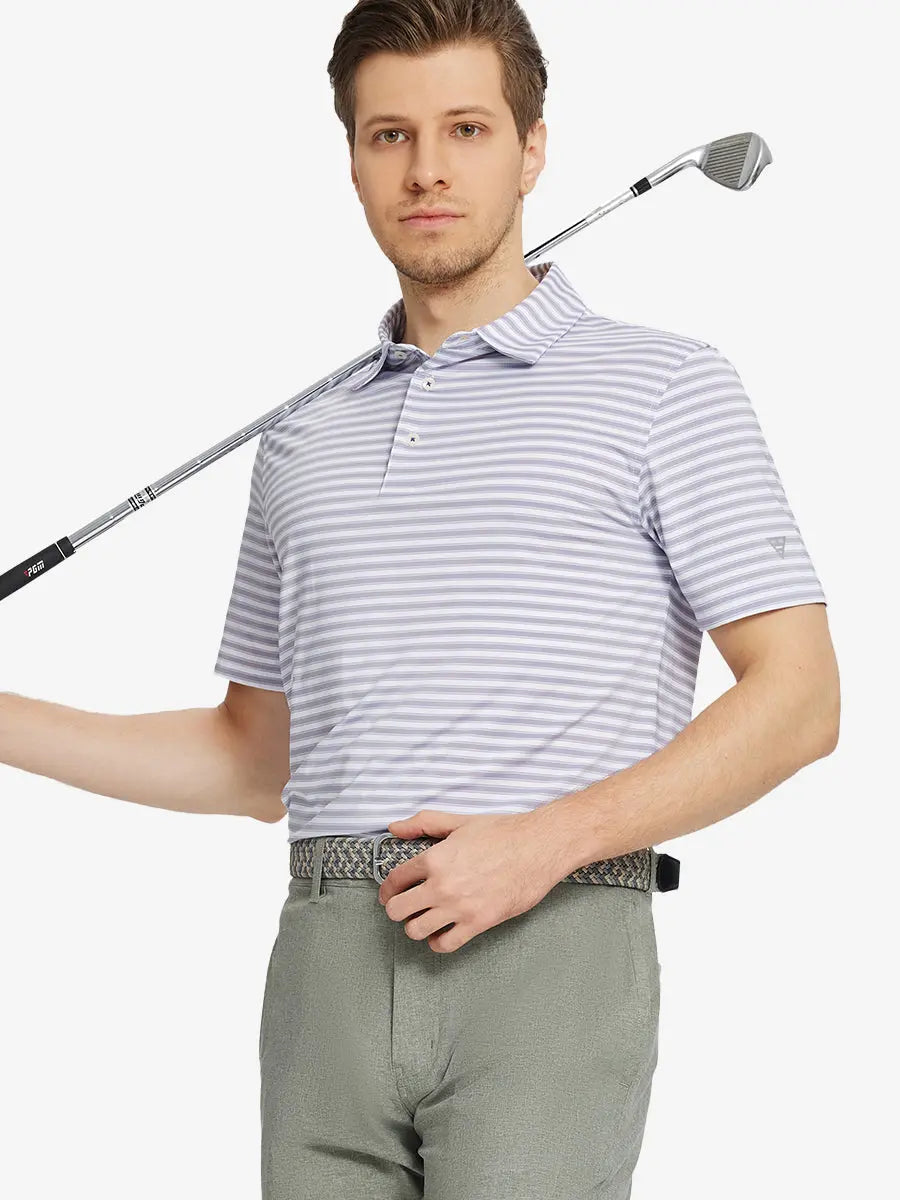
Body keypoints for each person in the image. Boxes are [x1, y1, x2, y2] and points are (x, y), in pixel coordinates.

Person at [0, 2, 839, 1198]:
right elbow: (253, 761)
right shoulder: (303, 440)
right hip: (324, 966)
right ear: (352, 159)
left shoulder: (666, 387)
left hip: (549, 945)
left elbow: (801, 700)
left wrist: (546, 843)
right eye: (390, 135)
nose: (428, 169)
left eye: (467, 129)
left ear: (532, 149)